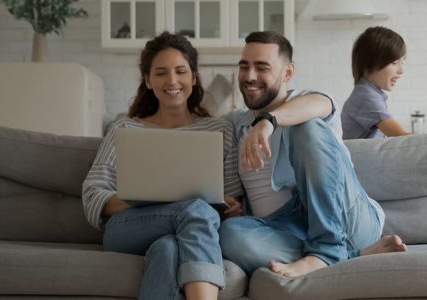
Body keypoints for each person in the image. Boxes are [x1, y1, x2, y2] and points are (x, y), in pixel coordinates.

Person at [218, 31, 407, 279]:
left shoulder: (309, 101)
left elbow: (318, 105)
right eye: (244, 67)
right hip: (285, 227)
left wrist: (269, 121)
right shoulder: (235, 123)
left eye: (262, 67)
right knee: (228, 234)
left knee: (306, 125)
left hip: (346, 217)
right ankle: (350, 254)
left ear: (287, 73)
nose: (250, 76)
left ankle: (327, 249)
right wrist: (233, 205)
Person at [81, 32, 243, 300]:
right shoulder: (125, 128)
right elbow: (92, 194)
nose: (172, 81)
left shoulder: (219, 129)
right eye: (160, 73)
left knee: (167, 248)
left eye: (180, 71)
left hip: (191, 228)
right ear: (147, 81)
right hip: (128, 229)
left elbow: (232, 197)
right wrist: (147, 199)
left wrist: (232, 206)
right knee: (195, 210)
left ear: (193, 77)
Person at [341, 26, 409, 139]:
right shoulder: (366, 97)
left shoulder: (369, 94)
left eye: (402, 62)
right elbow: (401, 137)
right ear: (369, 63)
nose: (401, 71)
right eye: (394, 62)